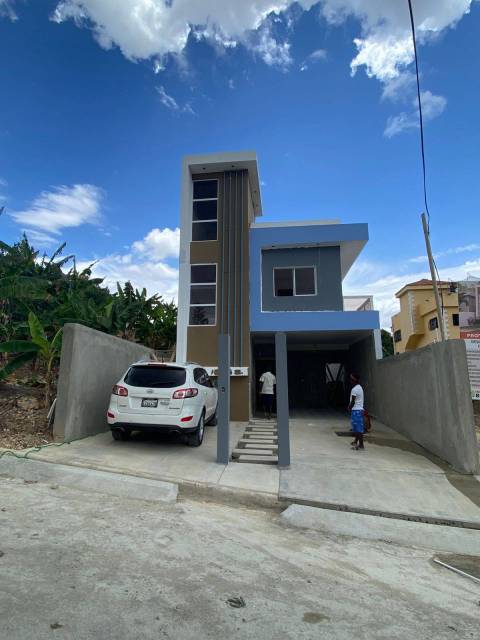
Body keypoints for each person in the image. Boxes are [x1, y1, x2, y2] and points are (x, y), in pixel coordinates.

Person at [347, 372, 365, 450]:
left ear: (354, 379)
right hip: (359, 410)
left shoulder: (354, 389)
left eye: (351, 379)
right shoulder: (359, 387)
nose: (350, 380)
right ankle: (355, 441)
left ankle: (361, 445)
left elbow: (353, 401)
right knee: (357, 428)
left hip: (356, 411)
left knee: (358, 429)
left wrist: (349, 407)